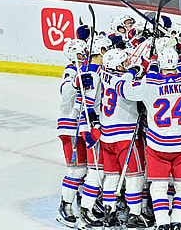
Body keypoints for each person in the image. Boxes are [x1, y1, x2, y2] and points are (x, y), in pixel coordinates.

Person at [116, 46, 181, 230]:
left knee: (158, 187)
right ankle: (178, 221)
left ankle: (163, 223)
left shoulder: (149, 82)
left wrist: (133, 71)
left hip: (157, 144)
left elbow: (123, 90)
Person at [97, 48, 154, 229]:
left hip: (107, 135)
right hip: (125, 135)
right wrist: (139, 71)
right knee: (134, 176)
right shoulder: (123, 80)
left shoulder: (103, 75)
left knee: (112, 177)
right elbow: (135, 91)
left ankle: (109, 210)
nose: (129, 64)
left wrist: (133, 71)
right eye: (126, 62)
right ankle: (135, 214)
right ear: (119, 66)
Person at [75, 34, 112, 230]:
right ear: (103, 52)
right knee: (96, 173)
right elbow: (87, 104)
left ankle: (89, 208)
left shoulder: (93, 70)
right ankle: (85, 212)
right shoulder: (94, 73)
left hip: (94, 126)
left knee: (101, 172)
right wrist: (89, 128)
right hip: (92, 128)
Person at [56, 39, 89, 228]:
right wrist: (76, 82)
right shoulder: (71, 70)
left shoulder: (84, 68)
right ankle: (65, 206)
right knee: (76, 170)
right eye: (81, 52)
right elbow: (65, 91)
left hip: (82, 126)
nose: (84, 53)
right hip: (71, 127)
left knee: (87, 169)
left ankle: (82, 200)